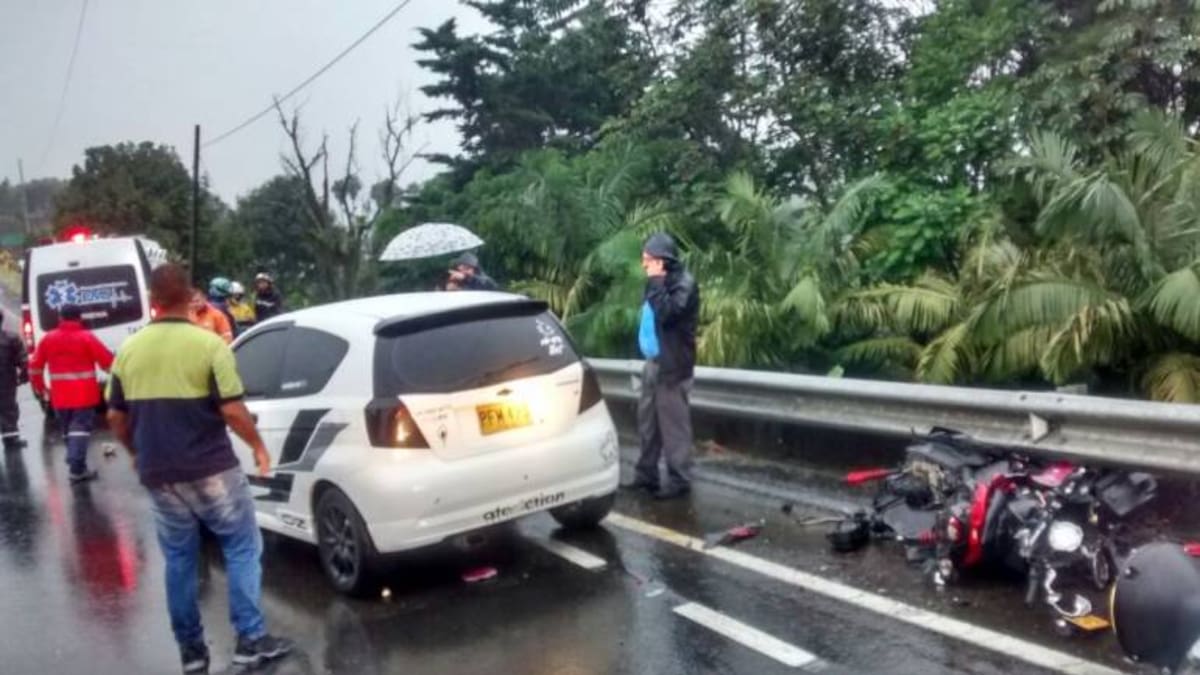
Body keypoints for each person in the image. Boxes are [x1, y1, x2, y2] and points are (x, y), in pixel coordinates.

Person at [106, 263, 292, 673]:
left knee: (179, 560)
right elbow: (233, 410)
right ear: (190, 296)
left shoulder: (129, 350)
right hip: (211, 468)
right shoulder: (209, 346)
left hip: (159, 474)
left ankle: (191, 653)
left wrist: (136, 451)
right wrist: (258, 447)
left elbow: (116, 416)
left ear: (153, 300)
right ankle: (250, 639)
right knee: (242, 546)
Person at [627, 233, 700, 500]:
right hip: (653, 362)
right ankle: (646, 475)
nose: (644, 264)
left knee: (673, 426)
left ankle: (679, 479)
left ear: (661, 261)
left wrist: (657, 282)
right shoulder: (655, 283)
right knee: (648, 423)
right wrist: (655, 282)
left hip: (673, 366)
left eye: (648, 260)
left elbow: (668, 313)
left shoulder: (684, 284)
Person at [29, 304, 114, 482]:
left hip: (59, 396)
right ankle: (76, 468)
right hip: (84, 394)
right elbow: (107, 362)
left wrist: (40, 388)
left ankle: (76, 463)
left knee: (68, 431)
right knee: (80, 430)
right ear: (79, 318)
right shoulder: (86, 337)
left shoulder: (48, 339)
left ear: (60, 318)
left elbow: (35, 366)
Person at [0, 315, 28, 451]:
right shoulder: (11, 338)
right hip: (6, 380)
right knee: (9, 409)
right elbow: (23, 360)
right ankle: (10, 438)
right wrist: (24, 376)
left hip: (6, 380)